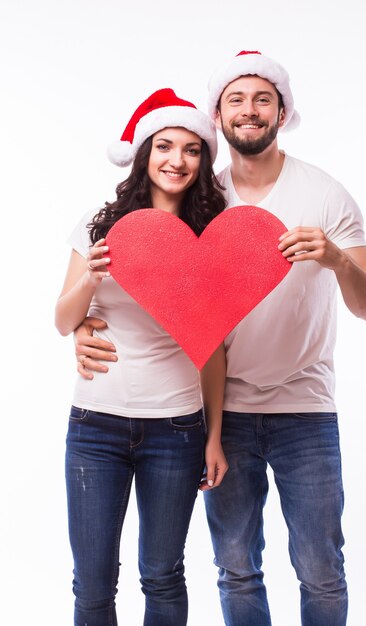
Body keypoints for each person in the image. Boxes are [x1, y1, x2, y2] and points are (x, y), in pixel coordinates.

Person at [72, 52, 366, 626]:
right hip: (223, 410)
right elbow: (150, 298)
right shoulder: (200, 198)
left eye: (263, 98)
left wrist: (338, 259)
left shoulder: (325, 194)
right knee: (236, 566)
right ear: (216, 117)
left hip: (305, 408)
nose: (250, 110)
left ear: (283, 111)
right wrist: (82, 325)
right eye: (236, 100)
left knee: (320, 565)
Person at [55, 87, 228, 626]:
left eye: (192, 150)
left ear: (203, 161)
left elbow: (214, 348)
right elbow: (64, 321)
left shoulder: (211, 234)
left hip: (175, 429)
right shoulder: (99, 223)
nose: (177, 160)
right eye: (164, 146)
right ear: (144, 154)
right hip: (95, 427)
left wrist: (214, 434)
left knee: (162, 574)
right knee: (93, 581)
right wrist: (93, 277)